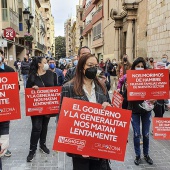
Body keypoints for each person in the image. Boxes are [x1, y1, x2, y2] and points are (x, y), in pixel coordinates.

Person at [60, 53, 112, 170]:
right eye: (90, 65)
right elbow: (62, 119)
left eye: (96, 65)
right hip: (79, 147)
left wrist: (109, 107)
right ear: (81, 67)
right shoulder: (68, 88)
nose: (93, 68)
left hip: (99, 143)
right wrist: (76, 145)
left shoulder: (102, 87)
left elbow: (110, 111)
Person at [26, 56, 57, 162]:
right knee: (36, 127)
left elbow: (56, 89)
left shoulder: (51, 74)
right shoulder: (32, 76)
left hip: (47, 106)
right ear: (39, 64)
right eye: (45, 62)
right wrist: (33, 89)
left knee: (44, 126)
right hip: (36, 107)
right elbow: (27, 91)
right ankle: (32, 150)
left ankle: (42, 145)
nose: (47, 64)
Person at [128, 57, 154, 166]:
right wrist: (126, 89)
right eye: (137, 66)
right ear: (134, 67)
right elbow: (125, 97)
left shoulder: (149, 79)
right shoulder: (128, 78)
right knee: (136, 134)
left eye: (142, 66)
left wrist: (155, 100)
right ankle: (138, 155)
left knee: (146, 134)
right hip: (134, 111)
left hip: (146, 110)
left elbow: (156, 93)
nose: (140, 68)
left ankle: (146, 154)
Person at [0, 49, 14, 158]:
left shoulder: (10, 70)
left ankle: (4, 149)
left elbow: (15, 88)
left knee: (5, 128)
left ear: (3, 56)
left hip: (5, 106)